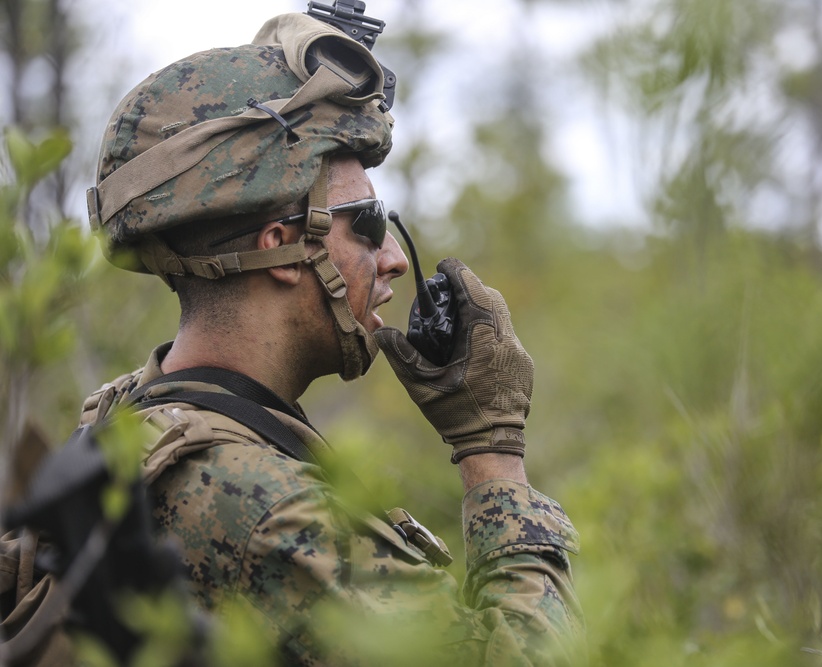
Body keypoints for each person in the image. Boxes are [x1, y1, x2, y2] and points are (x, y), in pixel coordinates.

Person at [79, 11, 584, 666]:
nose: (395, 260)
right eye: (367, 223)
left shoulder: (121, 424)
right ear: (284, 248)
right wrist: (493, 448)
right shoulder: (274, 514)